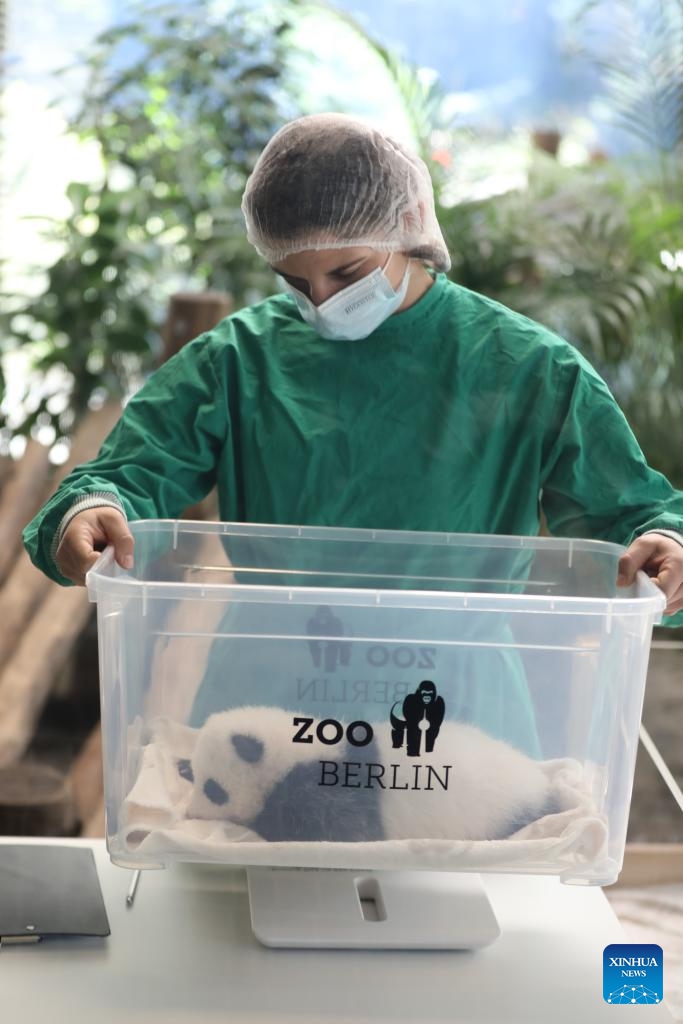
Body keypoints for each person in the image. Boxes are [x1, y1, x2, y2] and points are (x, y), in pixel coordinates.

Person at [23, 112, 683, 752]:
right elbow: (128, 472)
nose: (322, 301)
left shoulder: (528, 367)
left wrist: (664, 545)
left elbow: (628, 514)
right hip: (268, 709)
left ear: (408, 227)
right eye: (294, 280)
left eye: (347, 273)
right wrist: (93, 510)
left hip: (458, 722)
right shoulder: (238, 360)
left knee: (445, 863)